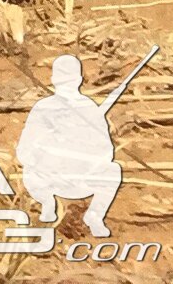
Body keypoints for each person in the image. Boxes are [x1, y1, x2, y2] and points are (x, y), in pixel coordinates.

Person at [17, 55, 124, 237]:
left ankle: (94, 216)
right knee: (29, 172)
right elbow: (24, 152)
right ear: (79, 79)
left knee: (112, 170)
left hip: (79, 178)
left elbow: (106, 150)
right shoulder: (45, 108)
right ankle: (47, 205)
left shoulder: (89, 109)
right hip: (50, 177)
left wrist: (81, 154)